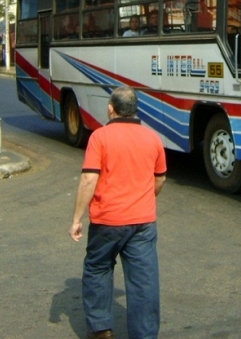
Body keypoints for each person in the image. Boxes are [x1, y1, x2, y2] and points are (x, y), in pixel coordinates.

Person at [69, 85, 167, 339]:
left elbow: (89, 179)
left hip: (107, 221)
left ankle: (101, 329)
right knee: (144, 280)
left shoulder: (100, 138)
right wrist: (144, 199)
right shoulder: (152, 138)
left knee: (98, 268)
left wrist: (77, 218)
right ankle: (145, 335)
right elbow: (160, 179)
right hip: (143, 222)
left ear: (111, 109)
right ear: (134, 110)